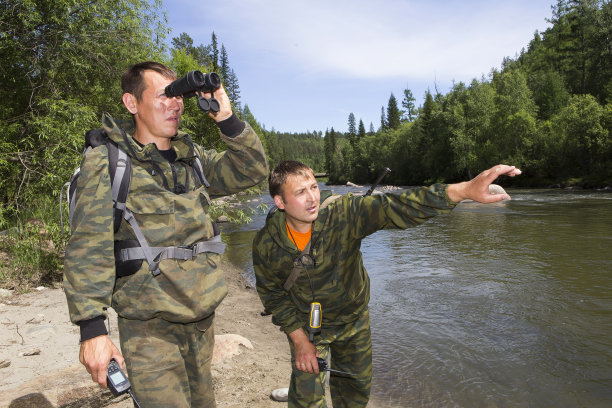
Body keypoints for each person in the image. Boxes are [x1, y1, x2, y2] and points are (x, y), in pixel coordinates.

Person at [63, 61, 268, 407]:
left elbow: (253, 168)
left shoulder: (193, 159)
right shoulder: (110, 162)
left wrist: (226, 118)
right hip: (149, 331)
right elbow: (88, 246)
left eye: (179, 97)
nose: (175, 104)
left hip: (201, 321)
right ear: (132, 103)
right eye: (163, 96)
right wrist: (92, 330)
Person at [253, 160, 521, 407]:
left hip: (353, 322)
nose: (312, 198)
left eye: (314, 187)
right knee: (306, 401)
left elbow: (395, 206)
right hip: (307, 328)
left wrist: (461, 191)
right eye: (300, 192)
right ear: (280, 201)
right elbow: (272, 294)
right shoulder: (267, 244)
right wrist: (299, 341)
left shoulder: (344, 214)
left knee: (355, 396)